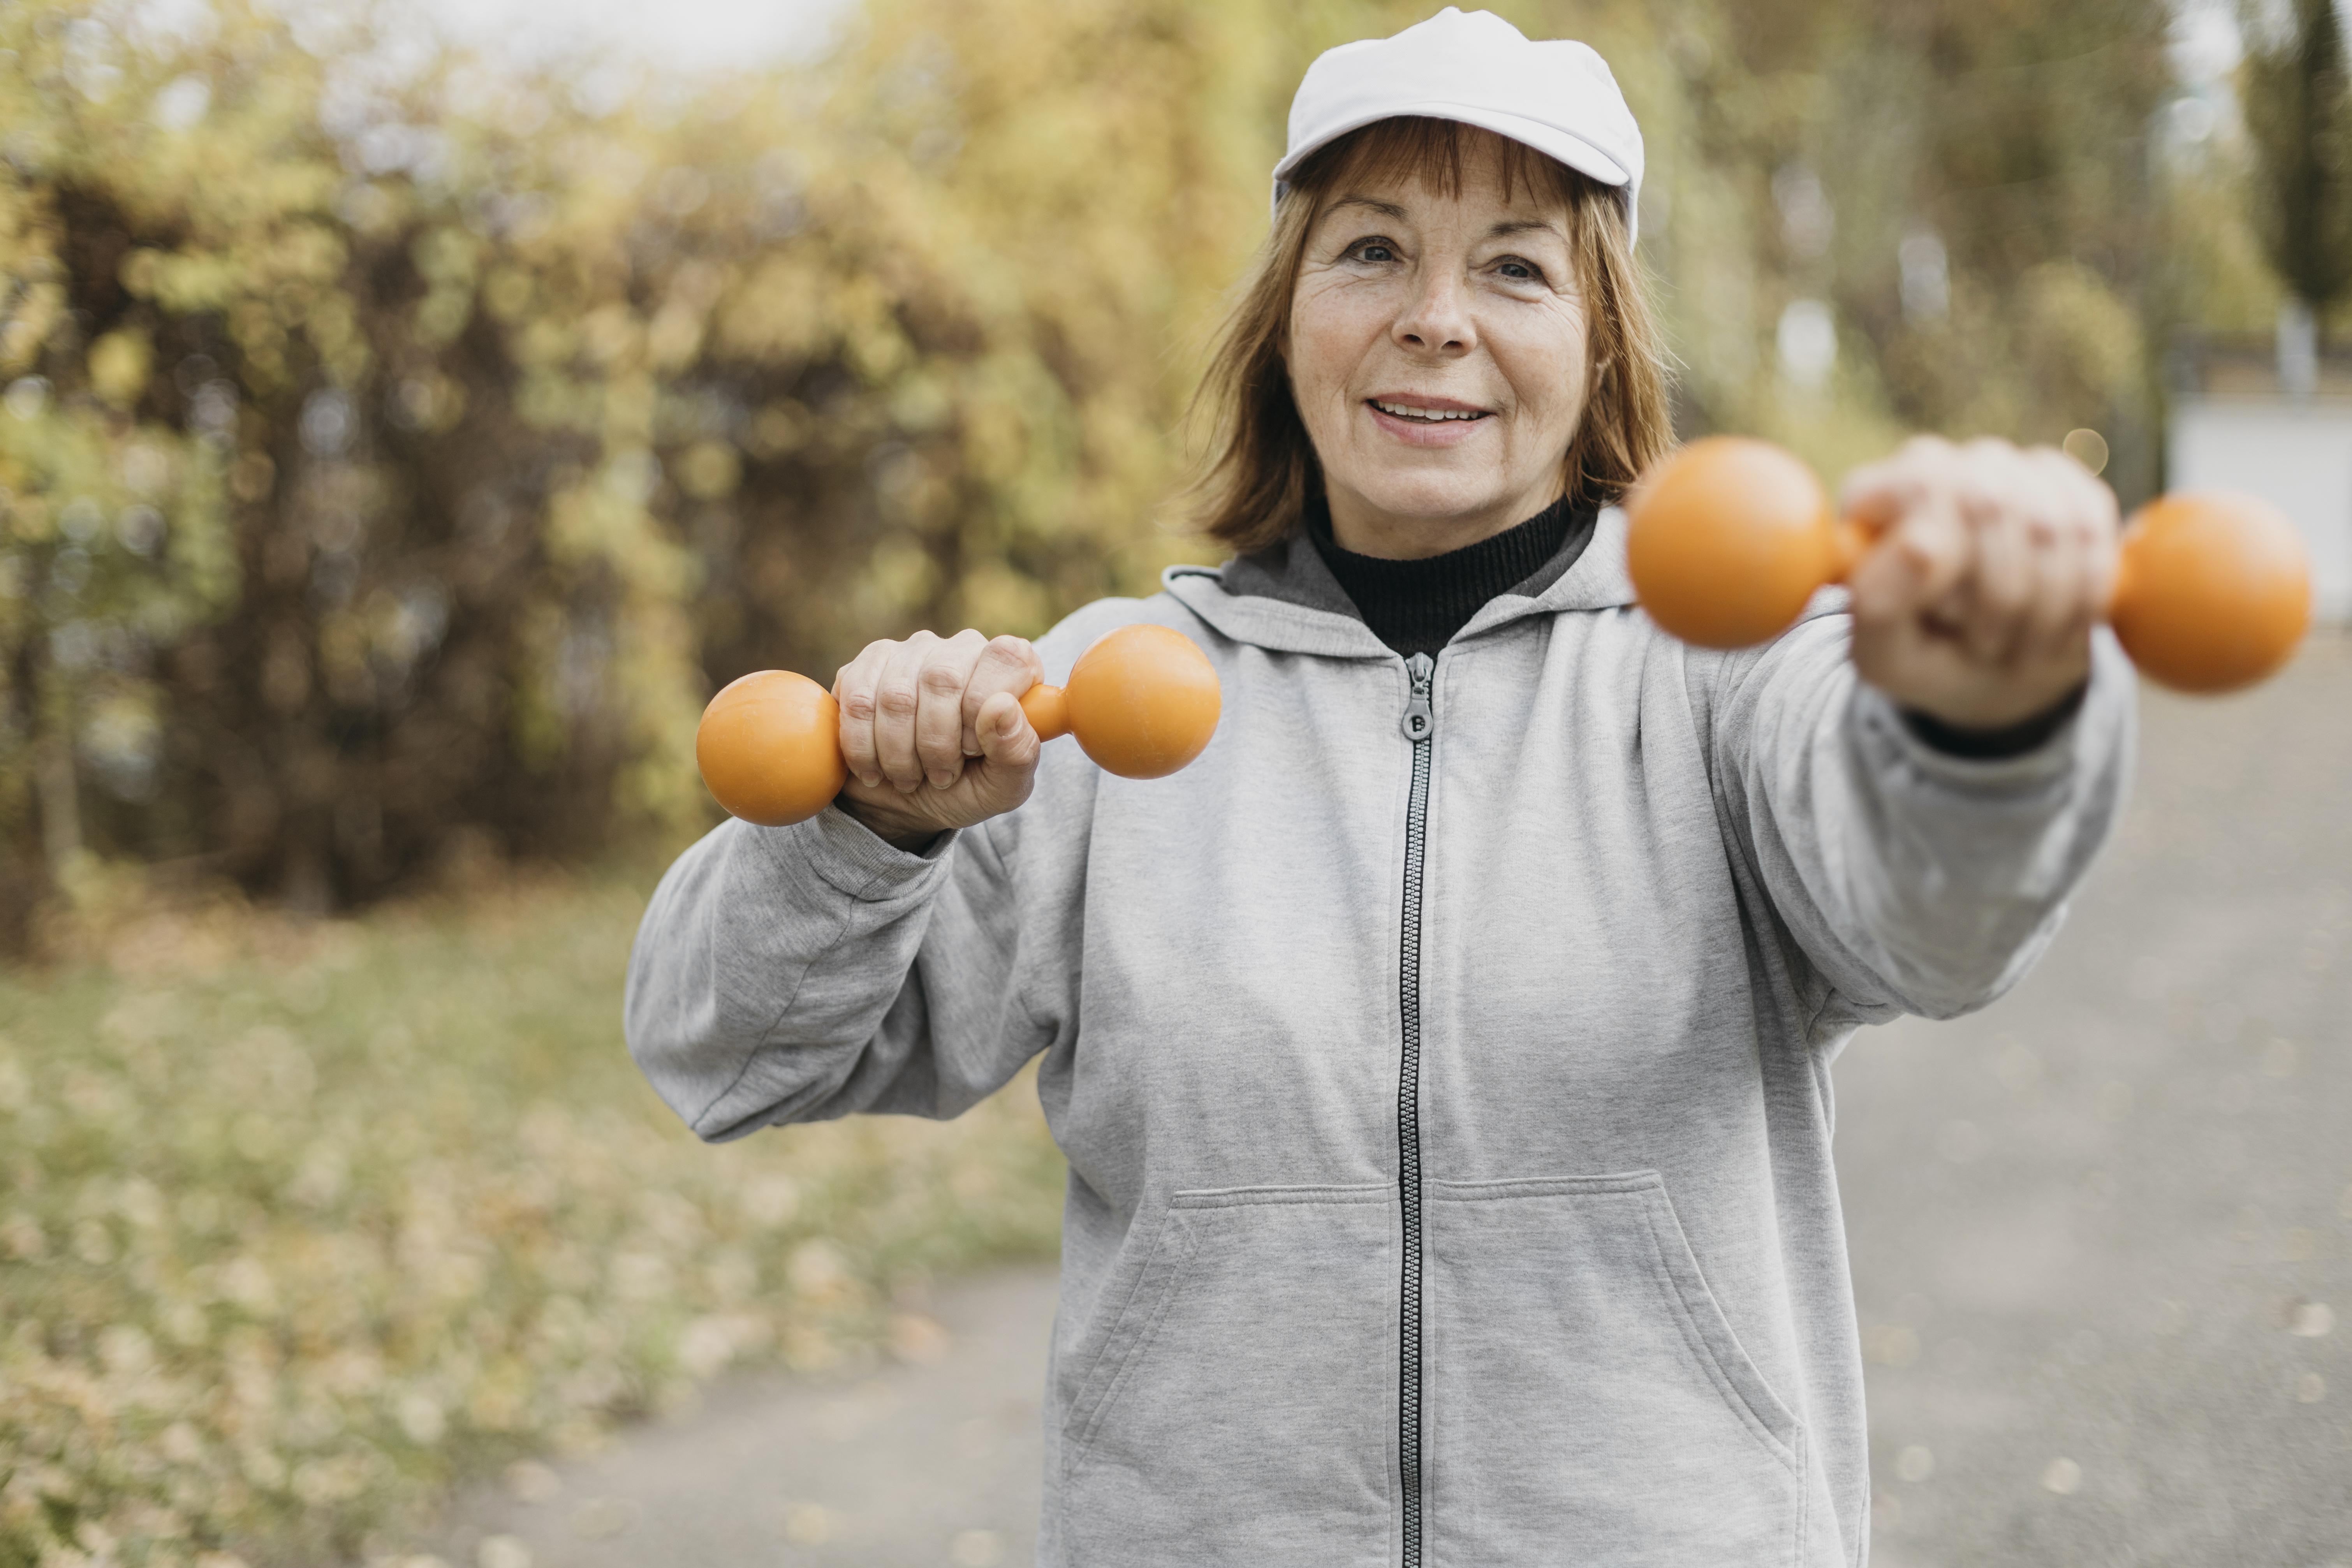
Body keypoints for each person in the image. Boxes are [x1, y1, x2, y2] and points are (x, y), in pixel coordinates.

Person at [625, 8, 2132, 1564]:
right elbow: (721, 1049)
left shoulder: (1722, 668)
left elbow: (1937, 926)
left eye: (1514, 266)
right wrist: (870, 827)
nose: (1433, 317)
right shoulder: (1084, 701)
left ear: (1599, 339)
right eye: (1370, 252)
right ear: (1285, 319)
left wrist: (1984, 719)